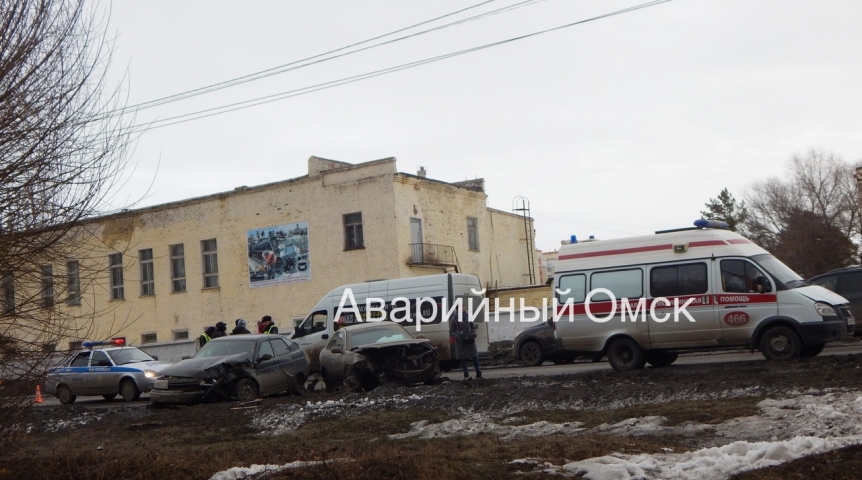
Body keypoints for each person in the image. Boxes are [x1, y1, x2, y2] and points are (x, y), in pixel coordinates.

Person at [449, 307, 481, 380]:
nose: (463, 308)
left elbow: (473, 327)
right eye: (460, 307)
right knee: (463, 358)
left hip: (470, 339)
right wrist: (458, 337)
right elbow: (451, 331)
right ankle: (466, 375)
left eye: (463, 307)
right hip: (461, 341)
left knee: (475, 357)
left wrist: (473, 334)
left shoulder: (468, 316)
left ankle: (478, 373)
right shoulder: (454, 319)